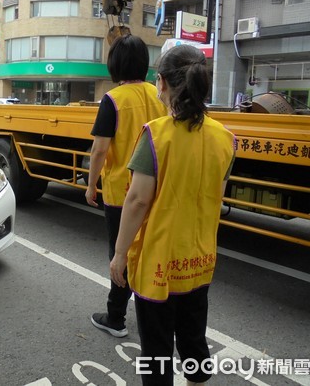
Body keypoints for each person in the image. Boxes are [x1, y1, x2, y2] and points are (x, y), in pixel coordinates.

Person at [110, 44, 235, 385]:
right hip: (199, 260)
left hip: (159, 263)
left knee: (157, 348)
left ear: (162, 83)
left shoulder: (156, 135)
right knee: (194, 337)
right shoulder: (225, 138)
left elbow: (136, 202)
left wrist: (120, 255)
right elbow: (215, 198)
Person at [85, 34, 166, 337]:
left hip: (122, 193)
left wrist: (91, 186)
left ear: (114, 65)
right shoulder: (159, 95)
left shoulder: (113, 99)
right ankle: (154, 311)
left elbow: (100, 150)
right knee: (149, 251)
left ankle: (115, 317)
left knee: (121, 254)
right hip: (155, 189)